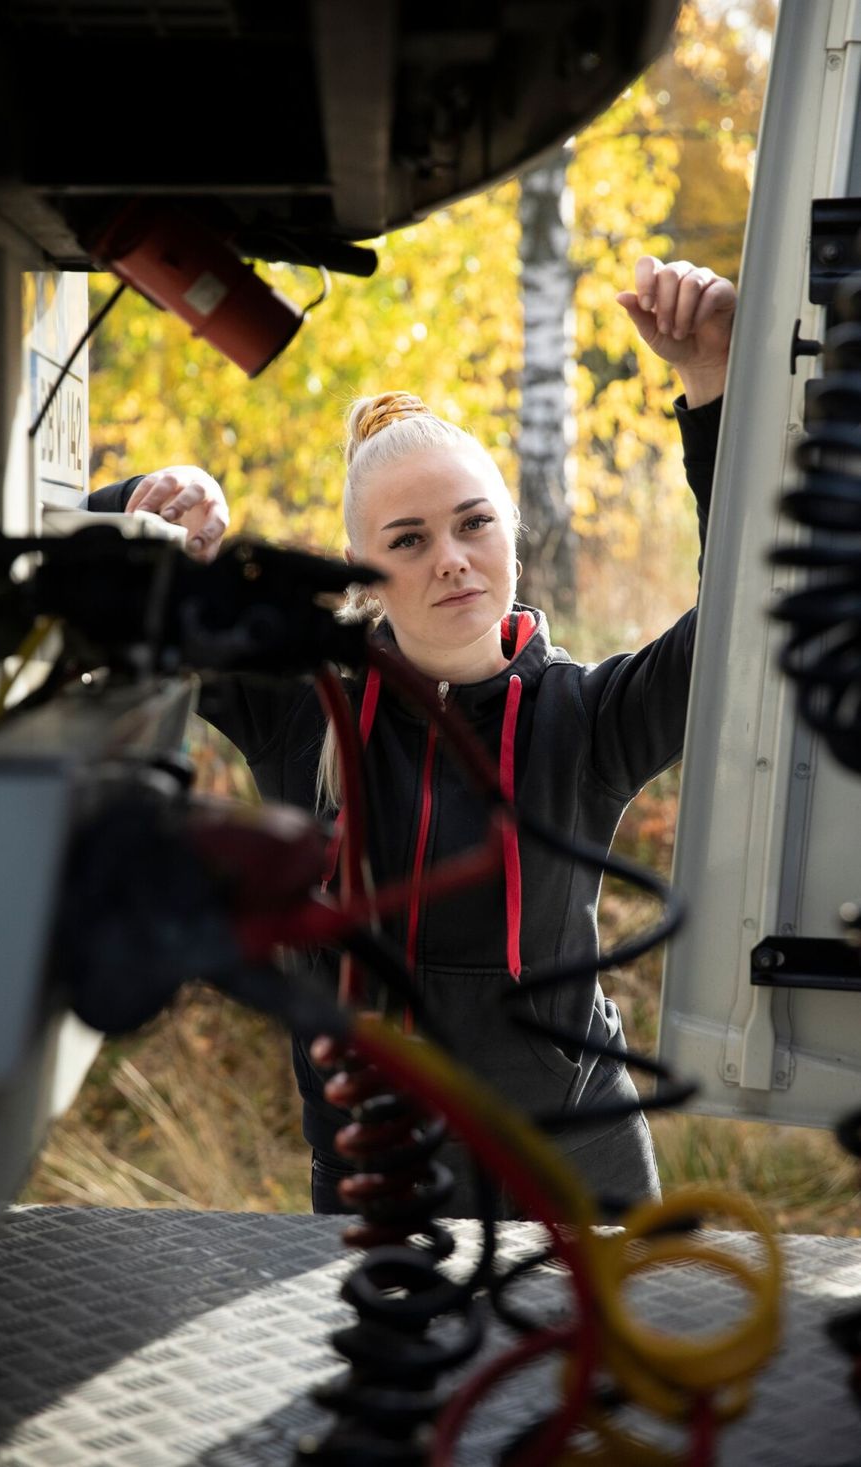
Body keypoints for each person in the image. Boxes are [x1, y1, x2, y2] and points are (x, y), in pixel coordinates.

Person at [87, 256, 735, 1218]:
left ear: (511, 531)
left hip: (576, 1177)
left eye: (474, 524)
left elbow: (746, 611)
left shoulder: (587, 719)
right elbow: (86, 590)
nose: (453, 561)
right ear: (360, 567)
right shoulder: (299, 703)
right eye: (409, 540)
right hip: (373, 1180)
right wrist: (147, 501)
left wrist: (714, 385)